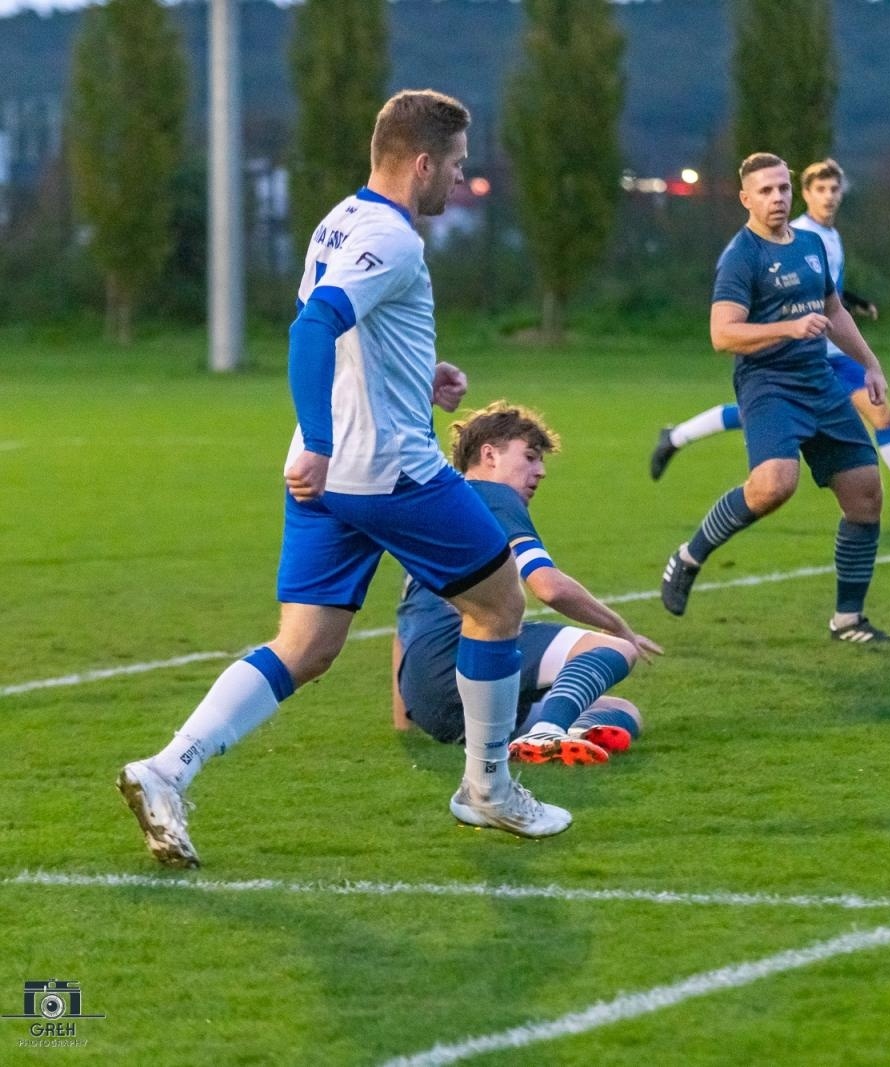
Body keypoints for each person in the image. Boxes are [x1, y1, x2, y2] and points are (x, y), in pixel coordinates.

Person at [118, 90, 569, 870]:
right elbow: (314, 327)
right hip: (385, 470)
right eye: (457, 166)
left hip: (324, 478)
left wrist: (415, 376)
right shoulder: (393, 239)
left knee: (306, 643)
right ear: (422, 162)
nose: (460, 181)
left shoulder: (338, 220)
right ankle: (488, 787)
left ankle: (167, 769)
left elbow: (351, 339)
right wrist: (327, 442)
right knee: (499, 605)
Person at [658, 152, 890, 643]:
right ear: (746, 199)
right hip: (768, 383)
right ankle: (688, 556)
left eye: (783, 189)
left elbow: (833, 308)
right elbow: (722, 335)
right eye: (765, 191)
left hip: (819, 379)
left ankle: (848, 621)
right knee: (773, 486)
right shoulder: (741, 256)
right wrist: (789, 327)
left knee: (866, 494)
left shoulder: (809, 244)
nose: (777, 198)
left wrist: (870, 363)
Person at [649, 159, 890, 519]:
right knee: (754, 416)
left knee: (883, 414)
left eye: (834, 189)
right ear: (806, 194)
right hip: (792, 355)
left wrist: (853, 303)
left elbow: (825, 292)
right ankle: (676, 437)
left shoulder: (828, 236)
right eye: (820, 190)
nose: (829, 197)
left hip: (829, 350)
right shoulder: (788, 233)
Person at [392, 401, 659, 764]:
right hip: (463, 661)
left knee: (622, 711)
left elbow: (406, 624)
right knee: (613, 650)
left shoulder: (438, 506)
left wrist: (404, 721)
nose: (541, 471)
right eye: (530, 457)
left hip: (430, 701)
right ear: (490, 455)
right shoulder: (492, 496)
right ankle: (546, 733)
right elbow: (549, 586)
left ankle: (567, 733)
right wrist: (618, 627)